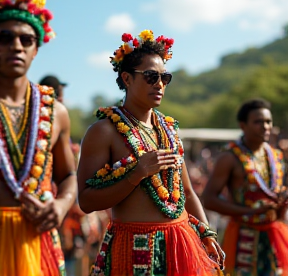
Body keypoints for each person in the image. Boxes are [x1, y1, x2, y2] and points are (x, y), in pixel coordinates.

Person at [77, 30, 225, 276]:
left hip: (181, 245)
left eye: (165, 77)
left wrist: (207, 234)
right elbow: (86, 201)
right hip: (134, 248)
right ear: (126, 78)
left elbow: (187, 192)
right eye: (150, 76)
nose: (159, 84)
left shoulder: (169, 130)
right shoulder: (103, 131)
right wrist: (137, 174)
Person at [0, 0, 77, 275]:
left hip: (38, 242)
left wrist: (60, 205)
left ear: (36, 48)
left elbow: (68, 176)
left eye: (26, 39)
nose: (16, 46)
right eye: (5, 38)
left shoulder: (56, 111)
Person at [202, 99, 288, 275]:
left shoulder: (276, 155)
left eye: (268, 122)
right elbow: (209, 200)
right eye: (258, 122)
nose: (265, 126)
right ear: (243, 125)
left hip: (274, 236)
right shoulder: (229, 157)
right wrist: (249, 211)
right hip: (243, 238)